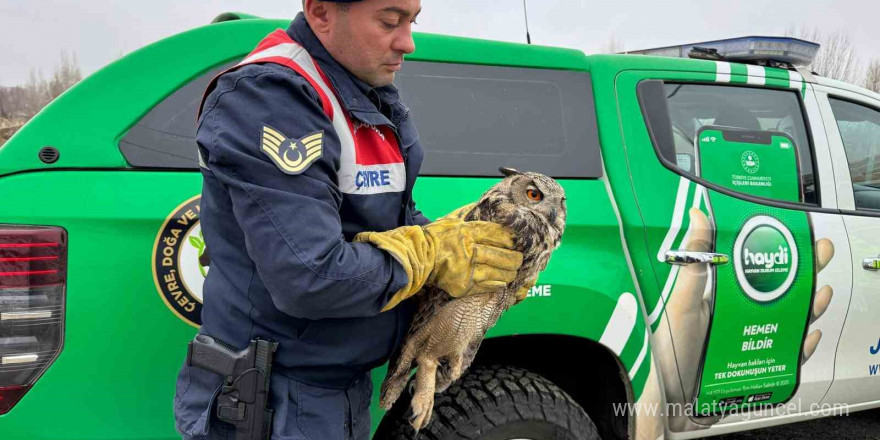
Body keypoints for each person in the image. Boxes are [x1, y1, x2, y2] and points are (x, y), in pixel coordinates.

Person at [173, 1, 530, 439]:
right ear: (321, 11)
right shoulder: (271, 97)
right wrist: (434, 256)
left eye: (412, 21)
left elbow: (387, 219)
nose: (408, 43)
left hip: (337, 392)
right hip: (271, 404)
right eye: (389, 21)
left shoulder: (362, 89)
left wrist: (463, 259)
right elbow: (310, 275)